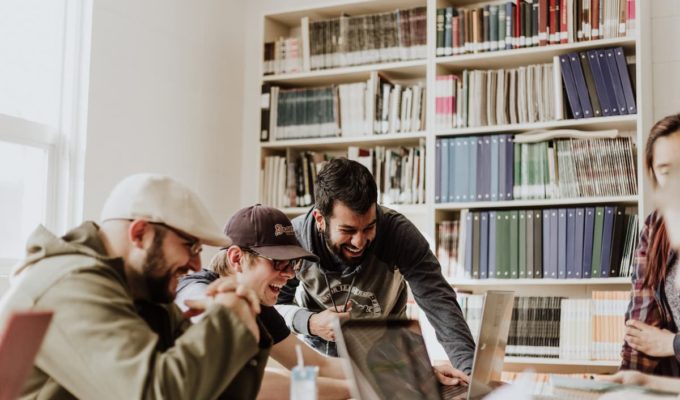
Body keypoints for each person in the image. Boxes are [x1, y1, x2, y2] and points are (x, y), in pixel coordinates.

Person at [0, 173, 267, 400]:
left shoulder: (143, 292)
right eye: (190, 246)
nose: (197, 265)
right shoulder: (70, 284)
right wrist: (227, 319)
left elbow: (215, 392)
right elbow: (154, 393)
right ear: (140, 233)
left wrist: (243, 321)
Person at [275, 157, 476, 381]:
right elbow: (274, 308)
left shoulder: (398, 233)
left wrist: (470, 376)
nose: (359, 242)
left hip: (389, 361)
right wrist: (310, 322)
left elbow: (439, 302)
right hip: (323, 364)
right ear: (320, 219)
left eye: (369, 227)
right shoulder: (294, 239)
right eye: (348, 230)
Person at [175, 204, 351, 400]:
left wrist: (382, 371)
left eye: (292, 263)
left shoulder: (257, 305)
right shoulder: (195, 289)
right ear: (236, 258)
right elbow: (247, 384)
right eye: (278, 261)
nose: (289, 274)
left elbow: (318, 365)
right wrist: (353, 389)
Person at [621, 114, 680, 376]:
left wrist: (671, 343)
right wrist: (624, 384)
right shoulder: (656, 227)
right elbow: (641, 328)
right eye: (667, 172)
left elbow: (661, 341)